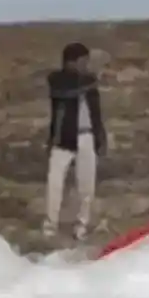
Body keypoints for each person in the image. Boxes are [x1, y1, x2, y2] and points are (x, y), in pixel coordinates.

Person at [44, 42, 106, 240]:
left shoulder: (89, 82)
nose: (86, 65)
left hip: (87, 135)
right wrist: (91, 82)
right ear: (71, 62)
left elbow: (97, 114)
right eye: (83, 61)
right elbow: (66, 91)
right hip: (63, 137)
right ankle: (50, 226)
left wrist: (100, 137)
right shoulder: (57, 80)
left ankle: (82, 225)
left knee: (86, 185)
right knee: (54, 183)